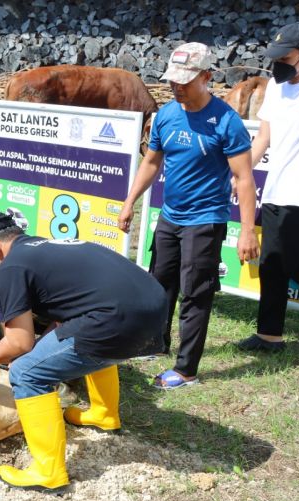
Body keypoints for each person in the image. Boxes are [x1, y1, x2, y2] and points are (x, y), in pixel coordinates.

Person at [0, 211, 167, 490]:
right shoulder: (49, 246)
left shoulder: (11, 267)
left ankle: (48, 471)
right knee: (83, 334)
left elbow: (19, 344)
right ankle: (104, 414)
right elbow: (72, 309)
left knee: (26, 372)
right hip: (154, 310)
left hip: (119, 320)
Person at [118, 43, 258, 389]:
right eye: (172, 81)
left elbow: (243, 179)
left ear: (207, 76)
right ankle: (154, 344)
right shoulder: (166, 115)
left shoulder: (227, 122)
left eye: (184, 80)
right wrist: (129, 201)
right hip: (170, 217)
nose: (176, 86)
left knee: (196, 293)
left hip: (205, 219)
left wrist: (247, 231)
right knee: (158, 284)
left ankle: (186, 370)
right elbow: (151, 162)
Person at [235, 23, 299, 353]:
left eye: (286, 57)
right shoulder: (276, 86)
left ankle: (269, 334)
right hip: (274, 188)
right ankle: (268, 336)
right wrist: (243, 171)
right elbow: (263, 137)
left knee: (297, 265)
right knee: (272, 264)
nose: (279, 64)